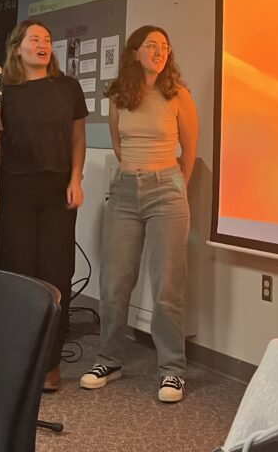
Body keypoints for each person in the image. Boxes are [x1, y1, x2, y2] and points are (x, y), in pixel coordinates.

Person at [80, 25, 198, 403]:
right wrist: (135, 175)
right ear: (134, 52)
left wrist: (174, 184)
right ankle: (108, 359)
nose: (159, 51)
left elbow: (190, 151)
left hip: (168, 191)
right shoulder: (120, 96)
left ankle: (172, 371)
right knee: (114, 283)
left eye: (165, 46)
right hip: (126, 190)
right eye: (151, 45)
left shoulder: (179, 95)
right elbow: (118, 144)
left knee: (167, 287)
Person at [0, 20, 87, 392]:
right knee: (18, 271)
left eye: (47, 39)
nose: (42, 44)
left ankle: (50, 362)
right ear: (18, 48)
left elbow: (78, 137)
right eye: (34, 39)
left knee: (56, 273)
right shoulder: (5, 91)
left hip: (57, 190)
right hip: (14, 188)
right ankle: (17, 355)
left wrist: (76, 179)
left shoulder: (68, 87)